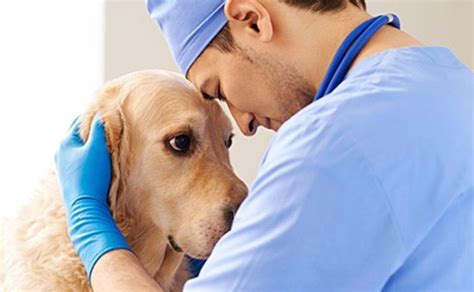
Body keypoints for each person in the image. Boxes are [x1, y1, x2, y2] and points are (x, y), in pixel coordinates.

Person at [55, 0, 473, 291]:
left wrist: (96, 238)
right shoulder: (453, 85)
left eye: (218, 87)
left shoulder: (329, 146)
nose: (244, 123)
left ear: (252, 19)